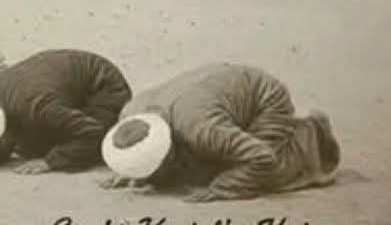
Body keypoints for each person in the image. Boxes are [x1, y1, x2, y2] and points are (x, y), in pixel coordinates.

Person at [100, 63, 340, 202]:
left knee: (259, 172)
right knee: (196, 165)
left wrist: (223, 187)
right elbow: (133, 139)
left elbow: (261, 157)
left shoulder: (201, 130)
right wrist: (131, 170)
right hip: (216, 89)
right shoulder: (131, 113)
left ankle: (311, 132)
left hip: (264, 98)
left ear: (169, 151)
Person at [0, 49, 133, 174]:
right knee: (30, 142)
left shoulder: (38, 108)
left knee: (45, 148)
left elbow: (91, 133)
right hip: (54, 81)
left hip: (104, 89)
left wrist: (51, 162)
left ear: (1, 134)